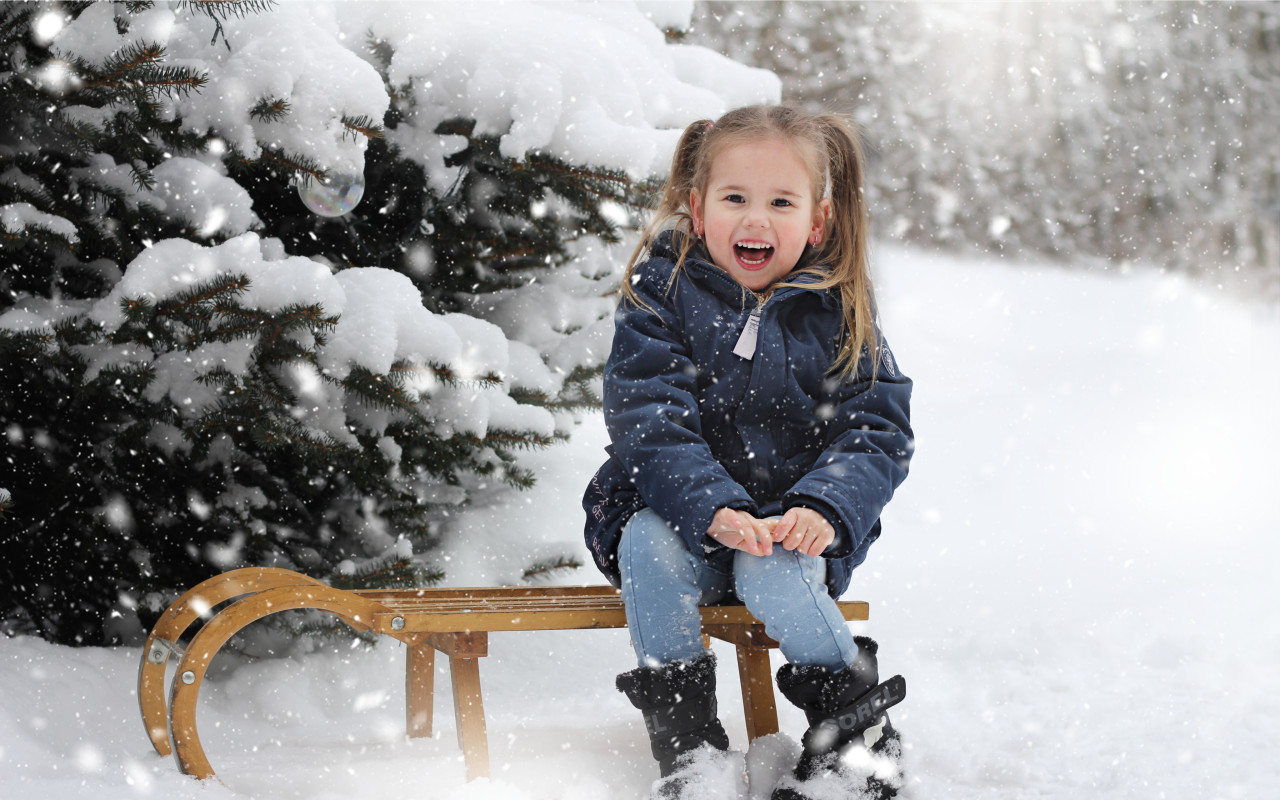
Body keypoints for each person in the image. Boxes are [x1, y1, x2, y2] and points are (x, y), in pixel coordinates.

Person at [582, 105, 914, 800]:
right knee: (647, 544)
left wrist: (824, 506)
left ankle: (854, 745)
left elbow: (876, 428)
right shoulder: (663, 294)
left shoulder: (839, 308)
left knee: (773, 573)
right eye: (735, 199)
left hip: (786, 527)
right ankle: (691, 754)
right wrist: (712, 507)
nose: (755, 219)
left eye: (780, 202)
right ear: (698, 211)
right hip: (675, 513)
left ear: (817, 222)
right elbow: (649, 418)